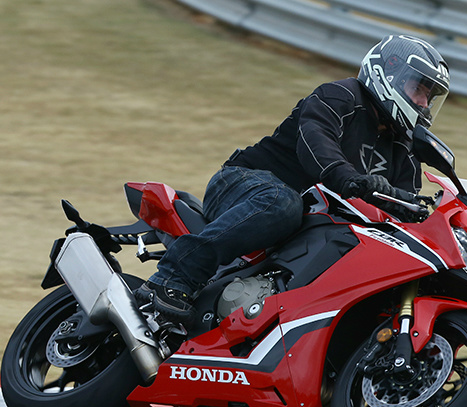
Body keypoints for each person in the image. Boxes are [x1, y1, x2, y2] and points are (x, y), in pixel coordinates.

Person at [136, 34, 451, 327]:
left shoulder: (404, 148)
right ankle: (173, 278)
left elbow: (404, 207)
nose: (424, 103)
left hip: (309, 230)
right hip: (246, 185)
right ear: (390, 74)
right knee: (284, 203)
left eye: (429, 95)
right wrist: (353, 181)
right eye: (419, 89)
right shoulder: (340, 95)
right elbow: (317, 140)